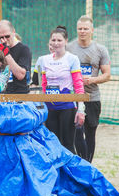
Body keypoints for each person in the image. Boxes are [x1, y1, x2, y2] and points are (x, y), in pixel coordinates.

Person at [32, 26, 85, 154]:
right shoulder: (42, 60)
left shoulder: (72, 59)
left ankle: (69, 173)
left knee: (67, 144)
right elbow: (38, 85)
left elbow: (78, 85)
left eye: (59, 40)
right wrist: (39, 107)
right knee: (52, 143)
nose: (56, 43)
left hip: (67, 107)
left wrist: (81, 109)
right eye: (53, 40)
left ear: (66, 41)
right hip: (49, 108)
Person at [66, 15, 111, 162]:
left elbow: (107, 75)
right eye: (80, 29)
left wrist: (92, 79)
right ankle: (81, 162)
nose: (82, 31)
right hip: (74, 98)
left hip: (92, 98)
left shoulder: (100, 49)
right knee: (76, 131)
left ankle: (89, 164)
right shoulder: (69, 48)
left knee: (90, 133)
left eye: (85, 29)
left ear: (92, 30)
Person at [0, 20, 32, 94]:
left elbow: (21, 75)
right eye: (1, 38)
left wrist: (7, 55)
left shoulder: (23, 49)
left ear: (13, 32)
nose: (4, 40)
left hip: (19, 96)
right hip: (2, 95)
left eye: (7, 36)